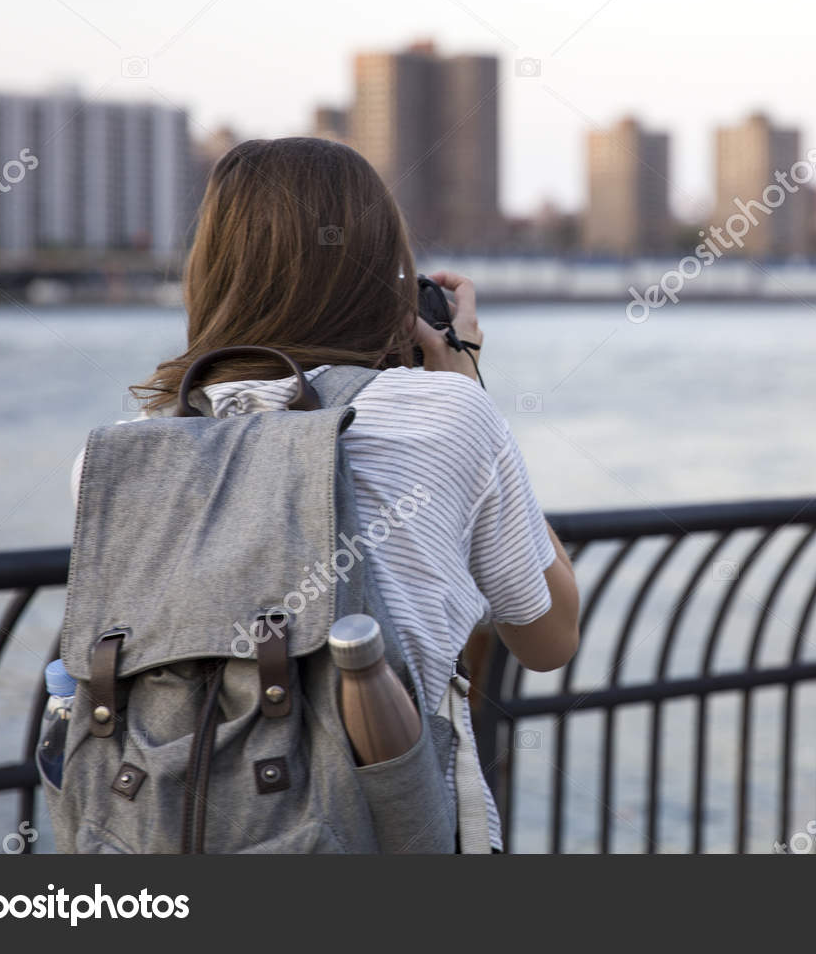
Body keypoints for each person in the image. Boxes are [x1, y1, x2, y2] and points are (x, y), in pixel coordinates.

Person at [119, 135, 580, 852]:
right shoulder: (448, 415)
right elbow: (550, 634)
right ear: (382, 275)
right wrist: (462, 376)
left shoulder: (128, 450)